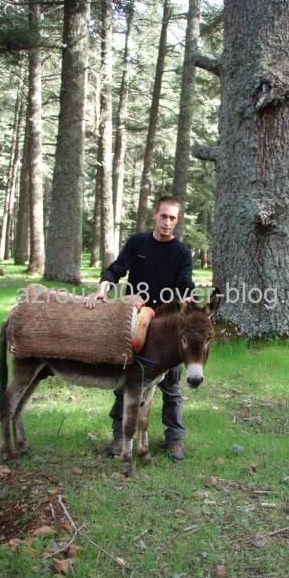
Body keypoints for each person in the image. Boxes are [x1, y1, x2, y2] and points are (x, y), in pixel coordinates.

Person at [85, 196, 194, 461]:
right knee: (127, 380)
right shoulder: (138, 243)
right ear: (155, 215)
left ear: (177, 221)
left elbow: (184, 284)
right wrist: (102, 290)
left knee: (170, 384)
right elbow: (116, 269)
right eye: (164, 216)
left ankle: (174, 438)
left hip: (165, 327)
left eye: (172, 218)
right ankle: (119, 434)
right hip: (134, 320)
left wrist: (185, 301)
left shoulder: (181, 252)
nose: (167, 222)